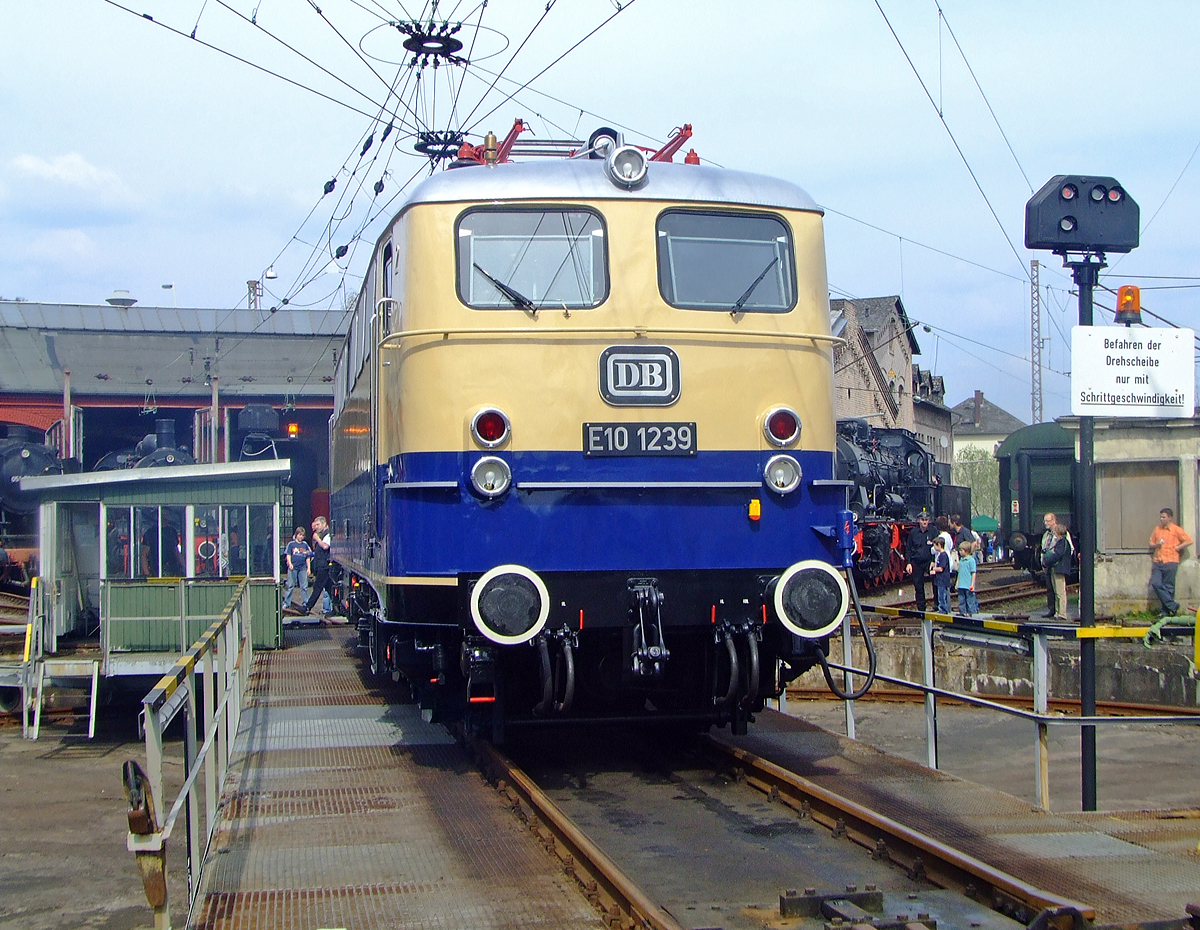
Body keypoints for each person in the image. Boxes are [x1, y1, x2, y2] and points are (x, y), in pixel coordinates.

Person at [1149, 507, 1192, 617]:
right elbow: (1151, 543)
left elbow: (1188, 540)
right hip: (1158, 561)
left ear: (1170, 518)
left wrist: (1178, 547)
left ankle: (1166, 612)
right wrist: (1157, 545)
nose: (1161, 519)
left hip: (1171, 561)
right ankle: (1172, 605)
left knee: (1169, 587)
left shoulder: (1176, 530)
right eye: (1161, 517)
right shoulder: (1157, 529)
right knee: (1155, 583)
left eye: (1164, 517)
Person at [904, 512, 937, 612]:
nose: (924, 522)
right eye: (922, 520)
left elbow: (939, 547)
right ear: (919, 521)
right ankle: (921, 607)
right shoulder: (913, 533)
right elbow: (908, 548)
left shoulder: (933, 531)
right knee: (918, 585)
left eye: (926, 520)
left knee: (936, 582)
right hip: (916, 561)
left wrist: (934, 561)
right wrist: (908, 562)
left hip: (929, 561)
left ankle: (937, 604)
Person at [304, 516, 335, 617]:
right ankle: (336, 608)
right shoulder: (322, 535)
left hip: (324, 566)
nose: (316, 527)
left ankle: (307, 607)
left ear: (324, 524)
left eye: (318, 525)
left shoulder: (328, 535)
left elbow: (325, 546)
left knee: (317, 587)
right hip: (321, 565)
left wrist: (317, 539)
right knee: (329, 588)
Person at [1042, 523, 1071, 620]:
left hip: (1059, 568)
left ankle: (1062, 614)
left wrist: (1047, 560)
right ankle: (1057, 613)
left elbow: (1057, 555)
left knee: (1060, 592)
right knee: (1056, 591)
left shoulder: (1062, 542)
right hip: (1056, 568)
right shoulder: (1061, 542)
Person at [281, 527, 311, 614]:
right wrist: (290, 563)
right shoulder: (291, 544)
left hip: (302, 568)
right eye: (299, 535)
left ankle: (305, 603)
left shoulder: (305, 545)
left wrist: (308, 568)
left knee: (304, 586)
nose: (301, 537)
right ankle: (287, 603)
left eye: (302, 535)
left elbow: (308, 557)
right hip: (293, 568)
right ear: (296, 535)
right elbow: (288, 555)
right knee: (290, 585)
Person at [1039, 513, 1059, 618]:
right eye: (1045, 521)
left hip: (1056, 564)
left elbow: (1068, 548)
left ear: (1054, 520)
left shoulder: (1060, 532)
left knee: (1058, 589)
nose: (1046, 523)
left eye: (1047, 521)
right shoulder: (1046, 534)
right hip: (1047, 565)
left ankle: (1059, 611)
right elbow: (1043, 547)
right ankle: (1051, 609)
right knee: (1050, 588)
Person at [931, 536, 953, 614]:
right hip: (940, 579)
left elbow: (941, 568)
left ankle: (943, 610)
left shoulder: (943, 555)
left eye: (935, 545)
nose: (934, 547)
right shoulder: (941, 555)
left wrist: (933, 569)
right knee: (941, 594)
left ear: (939, 545)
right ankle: (943, 609)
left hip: (942, 579)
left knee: (942, 595)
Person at [956, 541, 978, 616]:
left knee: (970, 600)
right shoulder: (961, 561)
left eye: (961, 550)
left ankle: (972, 613)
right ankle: (962, 612)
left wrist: (972, 584)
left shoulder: (971, 560)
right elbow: (959, 573)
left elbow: (973, 573)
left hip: (968, 585)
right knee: (961, 600)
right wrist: (957, 583)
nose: (959, 552)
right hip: (961, 584)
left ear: (966, 551)